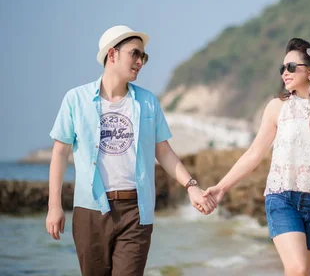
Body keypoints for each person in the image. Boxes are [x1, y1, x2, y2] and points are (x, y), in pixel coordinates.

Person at [45, 25, 216, 276]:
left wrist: (191, 186)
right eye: (135, 54)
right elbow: (60, 153)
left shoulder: (147, 101)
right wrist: (54, 206)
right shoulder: (76, 99)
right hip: (90, 211)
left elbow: (164, 151)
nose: (140, 62)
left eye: (143, 57)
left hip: (136, 211)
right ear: (112, 54)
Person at [203, 37, 310, 276]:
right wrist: (222, 188)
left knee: (302, 273)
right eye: (282, 68)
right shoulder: (277, 107)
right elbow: (254, 154)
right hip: (282, 198)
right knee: (298, 269)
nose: (285, 73)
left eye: (292, 67)